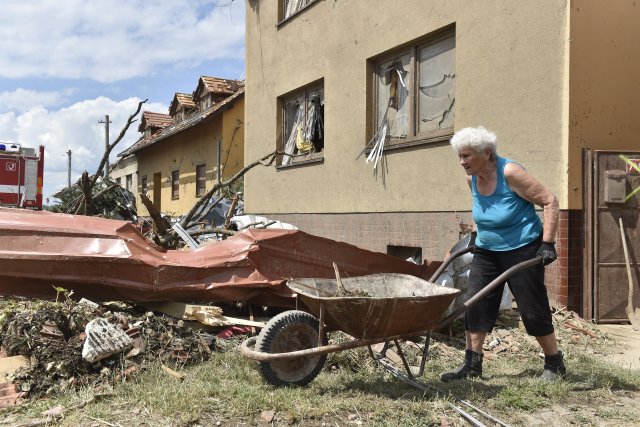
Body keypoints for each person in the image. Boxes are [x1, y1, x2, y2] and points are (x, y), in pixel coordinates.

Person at [441, 126, 566, 382]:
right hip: (487, 251)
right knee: (475, 303)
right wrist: (476, 235)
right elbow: (482, 209)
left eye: (466, 156)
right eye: (459, 156)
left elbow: (550, 200)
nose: (461, 162)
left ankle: (555, 363)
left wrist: (548, 243)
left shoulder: (509, 172)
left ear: (486, 153)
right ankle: (472, 365)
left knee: (532, 308)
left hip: (522, 249)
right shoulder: (472, 177)